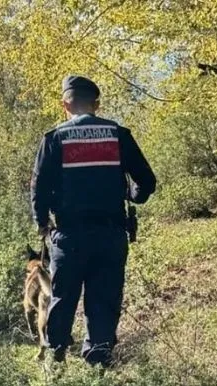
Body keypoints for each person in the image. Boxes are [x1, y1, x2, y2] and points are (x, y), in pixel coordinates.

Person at [30, 75, 157, 368]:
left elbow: (38, 187)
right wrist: (131, 194)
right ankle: (98, 364)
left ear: (65, 104)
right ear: (96, 104)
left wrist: (42, 223)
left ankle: (56, 359)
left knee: (62, 297)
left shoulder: (54, 138)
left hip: (69, 236)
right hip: (111, 235)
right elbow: (146, 182)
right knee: (103, 301)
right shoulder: (118, 134)